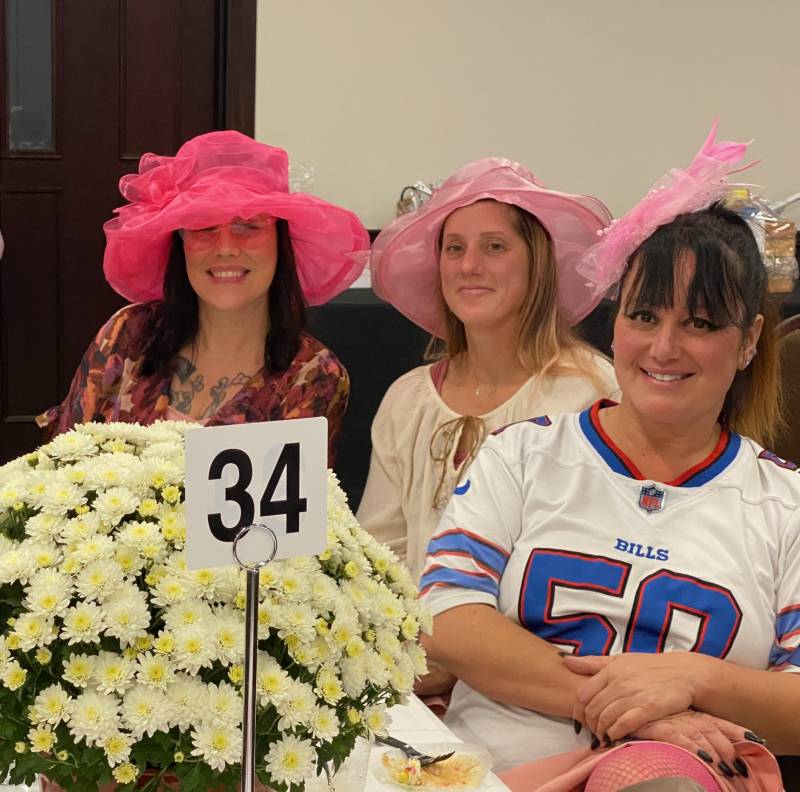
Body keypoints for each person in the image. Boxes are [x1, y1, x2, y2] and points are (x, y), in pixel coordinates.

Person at [420, 125, 794, 791]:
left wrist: (693, 678)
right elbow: (447, 618)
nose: (664, 348)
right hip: (484, 768)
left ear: (748, 342)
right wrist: (635, 713)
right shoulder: (524, 454)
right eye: (645, 317)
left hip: (678, 774)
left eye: (701, 324)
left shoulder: (784, 504)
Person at [37, 131, 370, 464]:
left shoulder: (313, 374)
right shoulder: (127, 334)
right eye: (203, 227)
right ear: (181, 244)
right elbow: (62, 464)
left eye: (248, 226)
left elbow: (290, 513)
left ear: (280, 241)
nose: (225, 248)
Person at [358, 158, 618, 583]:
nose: (469, 266)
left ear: (538, 263)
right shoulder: (407, 400)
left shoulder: (588, 392)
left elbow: (595, 562)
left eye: (494, 246)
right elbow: (379, 554)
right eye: (454, 248)